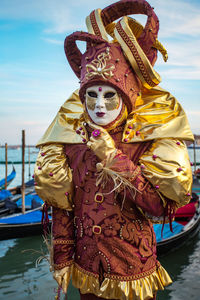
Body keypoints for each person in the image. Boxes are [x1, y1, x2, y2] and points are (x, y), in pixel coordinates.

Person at [34, 1, 194, 299]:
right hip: (86, 271)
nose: (98, 105)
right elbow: (63, 206)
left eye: (110, 95)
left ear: (127, 95)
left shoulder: (145, 140)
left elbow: (157, 207)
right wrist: (62, 258)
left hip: (132, 269)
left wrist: (111, 156)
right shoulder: (73, 138)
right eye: (91, 95)